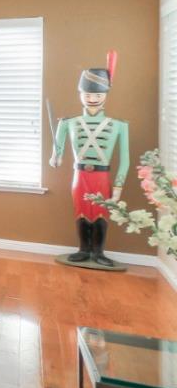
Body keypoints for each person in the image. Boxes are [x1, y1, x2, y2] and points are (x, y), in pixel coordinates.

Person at [50, 52, 130, 269]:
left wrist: (118, 188)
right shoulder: (67, 123)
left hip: (103, 177)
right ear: (81, 94)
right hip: (79, 176)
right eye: (87, 93)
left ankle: (99, 252)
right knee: (81, 212)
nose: (92, 98)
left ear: (105, 94)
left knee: (101, 214)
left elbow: (126, 159)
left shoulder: (119, 125)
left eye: (97, 94)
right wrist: (55, 158)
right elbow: (56, 153)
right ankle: (83, 249)